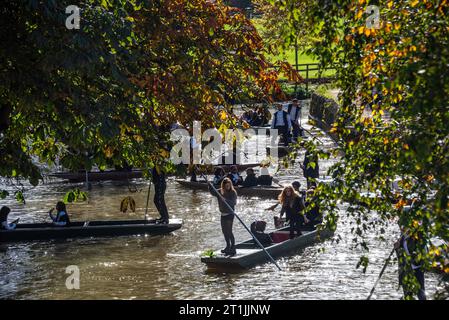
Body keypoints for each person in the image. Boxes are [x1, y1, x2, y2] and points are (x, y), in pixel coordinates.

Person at [395, 226, 427, 300]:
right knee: (407, 294)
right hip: (406, 270)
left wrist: (412, 258)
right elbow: (400, 257)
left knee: (421, 293)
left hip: (417, 268)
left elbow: (422, 253)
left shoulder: (417, 237)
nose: (402, 229)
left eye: (404, 227)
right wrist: (397, 248)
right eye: (401, 227)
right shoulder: (402, 238)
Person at [209, 178, 238, 256]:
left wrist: (225, 199)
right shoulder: (220, 191)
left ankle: (233, 247)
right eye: (226, 186)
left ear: (230, 185)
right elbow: (212, 192)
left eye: (229, 185)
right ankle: (227, 246)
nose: (227, 187)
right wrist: (209, 184)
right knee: (224, 232)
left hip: (230, 214)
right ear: (223, 186)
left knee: (229, 231)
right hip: (223, 214)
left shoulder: (233, 192)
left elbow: (233, 203)